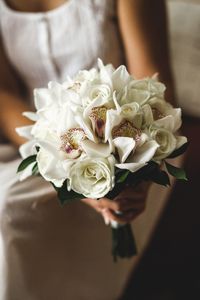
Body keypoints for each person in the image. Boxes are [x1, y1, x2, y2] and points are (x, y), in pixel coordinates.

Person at [0, 0, 175, 299]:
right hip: (37, 144)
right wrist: (67, 163)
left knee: (8, 209)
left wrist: (135, 166)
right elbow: (3, 98)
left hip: (131, 143)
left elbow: (154, 83)